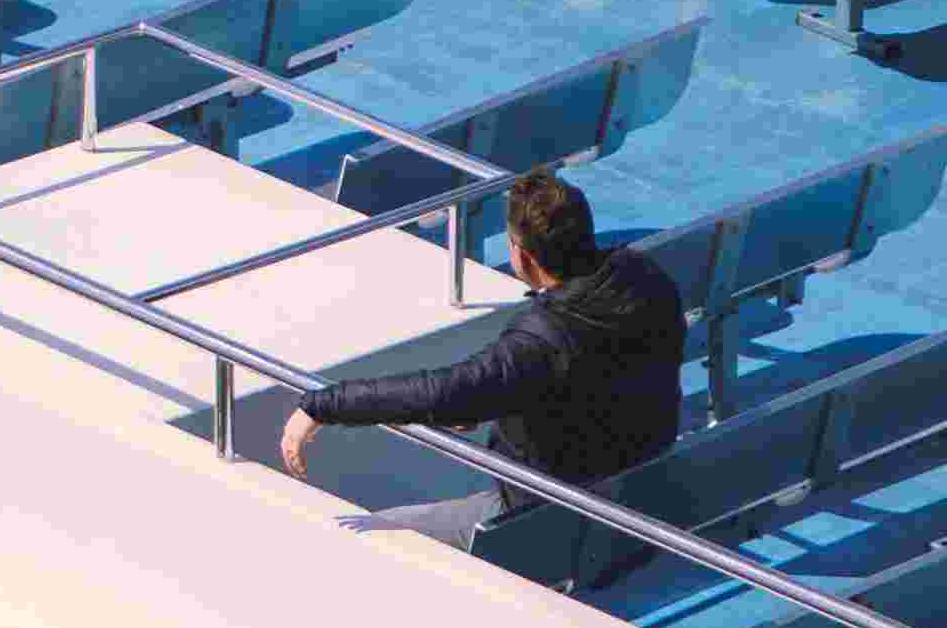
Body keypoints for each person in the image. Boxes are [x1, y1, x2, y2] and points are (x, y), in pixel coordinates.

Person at [279, 163, 684, 495]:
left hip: (551, 510)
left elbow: (442, 391)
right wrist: (494, 400)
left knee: (384, 532)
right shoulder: (645, 277)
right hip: (647, 479)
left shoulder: (542, 338)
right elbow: (594, 378)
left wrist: (324, 404)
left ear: (523, 256)